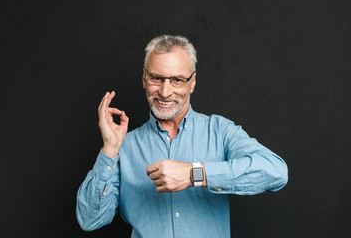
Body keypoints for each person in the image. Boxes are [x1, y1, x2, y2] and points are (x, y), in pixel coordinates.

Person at [76, 35, 288, 238]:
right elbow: (90, 220)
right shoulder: (124, 146)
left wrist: (194, 174)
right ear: (144, 78)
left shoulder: (220, 130)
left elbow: (276, 172)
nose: (165, 92)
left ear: (192, 82)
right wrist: (110, 148)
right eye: (157, 78)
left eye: (177, 80)